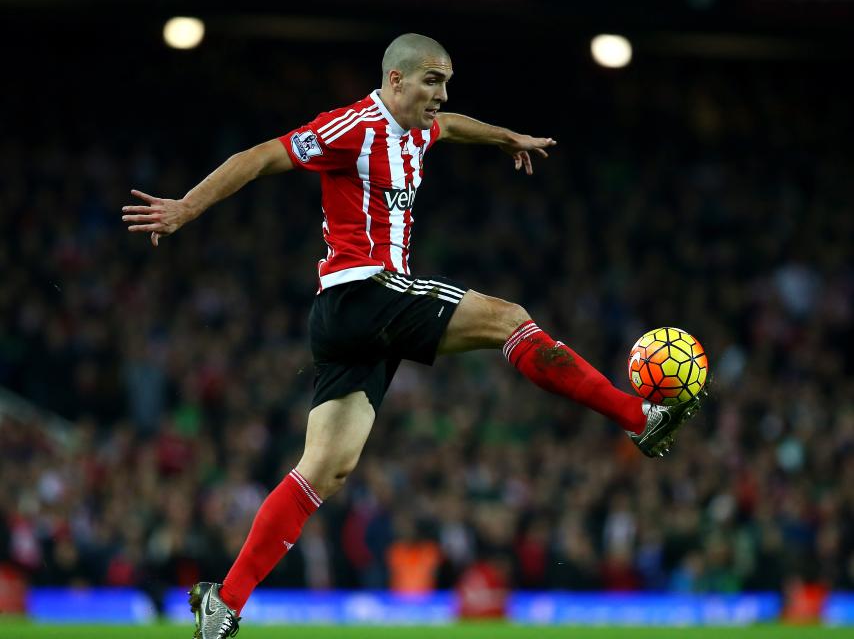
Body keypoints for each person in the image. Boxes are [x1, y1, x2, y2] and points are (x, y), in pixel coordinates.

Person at [121, 33, 706, 639]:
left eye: (446, 81)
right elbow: (264, 155)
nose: (441, 94)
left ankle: (225, 600)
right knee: (511, 319)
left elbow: (451, 126)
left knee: (323, 470)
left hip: (352, 322)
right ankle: (639, 417)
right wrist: (187, 207)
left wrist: (507, 137)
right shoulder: (351, 126)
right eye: (431, 80)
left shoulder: (422, 127)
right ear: (395, 80)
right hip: (362, 292)